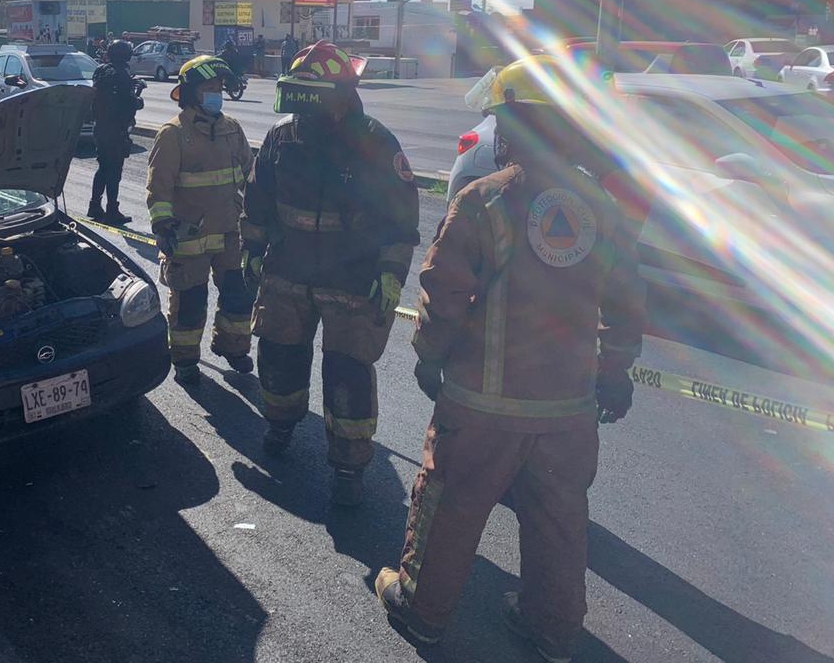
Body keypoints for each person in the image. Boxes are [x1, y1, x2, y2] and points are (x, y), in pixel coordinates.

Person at [375, 56, 645, 661]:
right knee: (557, 519)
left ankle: (422, 612)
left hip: (482, 410)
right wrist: (616, 373)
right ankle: (552, 631)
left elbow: (443, 294)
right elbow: (627, 302)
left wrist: (427, 357)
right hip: (568, 412)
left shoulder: (483, 201)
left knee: (450, 507)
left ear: (519, 126)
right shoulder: (600, 207)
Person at [242, 40, 420, 506]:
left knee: (348, 373)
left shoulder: (376, 142)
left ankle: (348, 467)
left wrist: (390, 272)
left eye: (309, 96)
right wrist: (253, 246)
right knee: (279, 356)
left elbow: (401, 218)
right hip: (288, 270)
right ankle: (279, 426)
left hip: (353, 277)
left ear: (341, 94)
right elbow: (258, 194)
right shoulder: (283, 136)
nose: (301, 108)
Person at [147, 55, 255, 385]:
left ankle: (233, 348)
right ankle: (185, 360)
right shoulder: (173, 135)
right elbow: (159, 188)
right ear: (192, 92)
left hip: (231, 233)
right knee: (190, 303)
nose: (216, 93)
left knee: (239, 295)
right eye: (209, 88)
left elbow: (251, 177)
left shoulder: (231, 129)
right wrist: (163, 226)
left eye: (219, 87)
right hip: (188, 237)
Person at [89, 40, 143, 226]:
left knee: (103, 167)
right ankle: (112, 210)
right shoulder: (121, 74)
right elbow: (129, 102)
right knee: (114, 171)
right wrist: (138, 99)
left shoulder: (101, 71)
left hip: (100, 128)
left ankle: (94, 206)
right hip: (115, 130)